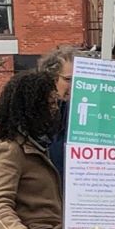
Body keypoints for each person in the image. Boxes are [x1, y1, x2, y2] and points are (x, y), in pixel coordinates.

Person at [0, 71, 65, 229]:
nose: (55, 108)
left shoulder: (36, 145)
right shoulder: (9, 151)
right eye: (50, 103)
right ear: (33, 108)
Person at [37, 45, 78, 183]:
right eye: (68, 79)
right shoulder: (36, 111)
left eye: (78, 79)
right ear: (51, 78)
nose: (75, 85)